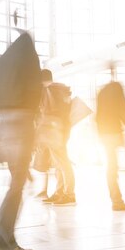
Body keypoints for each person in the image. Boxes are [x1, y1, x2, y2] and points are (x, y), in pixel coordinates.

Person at [0, 31, 41, 250]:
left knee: (16, 183)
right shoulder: (29, 57)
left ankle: (3, 237)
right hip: (21, 123)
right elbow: (35, 90)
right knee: (17, 185)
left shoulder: (5, 60)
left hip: (3, 124)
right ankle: (4, 241)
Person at [96, 81, 125, 211]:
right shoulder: (117, 88)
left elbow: (97, 116)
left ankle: (116, 199)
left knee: (111, 166)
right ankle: (117, 201)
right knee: (113, 167)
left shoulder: (101, 92)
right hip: (113, 132)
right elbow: (124, 109)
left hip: (103, 133)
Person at [37, 69, 76, 206]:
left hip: (54, 131)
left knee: (62, 162)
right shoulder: (62, 89)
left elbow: (48, 112)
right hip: (63, 129)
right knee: (59, 162)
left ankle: (69, 194)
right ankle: (60, 192)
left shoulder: (49, 90)